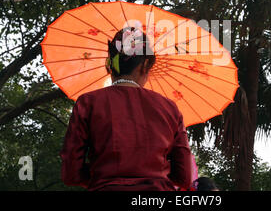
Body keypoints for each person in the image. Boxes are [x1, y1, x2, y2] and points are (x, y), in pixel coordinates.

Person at [60, 26, 193, 191]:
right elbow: (184, 177)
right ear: (145, 64)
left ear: (110, 64)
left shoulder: (88, 102)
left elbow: (71, 173)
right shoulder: (169, 108)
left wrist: (102, 176)